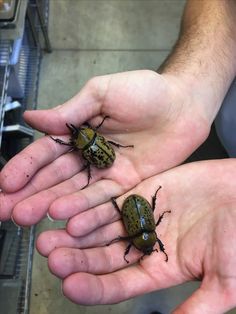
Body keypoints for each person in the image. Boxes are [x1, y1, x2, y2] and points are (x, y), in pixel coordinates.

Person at [0, 0, 236, 312]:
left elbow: (144, 214)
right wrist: (187, 88)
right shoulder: (93, 144)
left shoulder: (141, 225)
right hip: (213, 122)